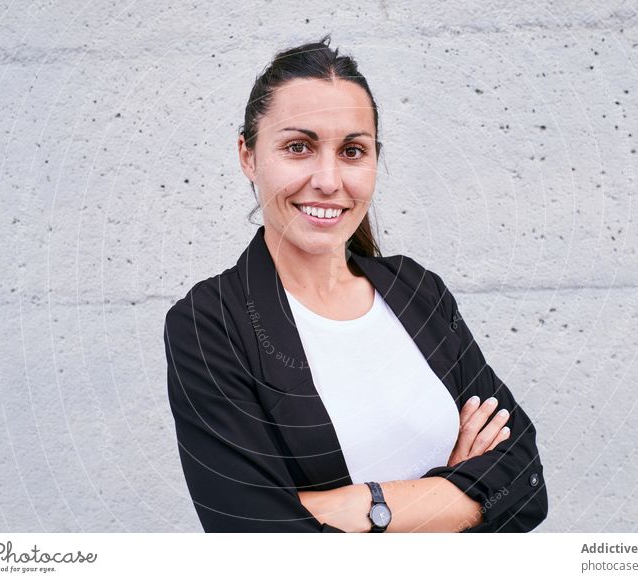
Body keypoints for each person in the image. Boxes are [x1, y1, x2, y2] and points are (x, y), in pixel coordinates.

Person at [164, 35, 548, 533]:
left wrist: (366, 505)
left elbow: (524, 482)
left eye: (351, 150)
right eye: (298, 147)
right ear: (248, 156)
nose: (328, 180)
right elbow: (258, 536)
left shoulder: (417, 291)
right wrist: (452, 488)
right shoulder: (211, 323)